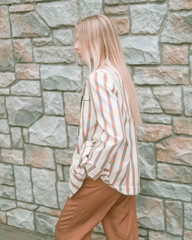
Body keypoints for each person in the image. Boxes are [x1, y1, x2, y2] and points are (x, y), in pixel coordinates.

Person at [55, 14, 143, 240]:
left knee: (67, 232)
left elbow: (114, 134)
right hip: (123, 173)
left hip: (104, 175)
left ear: (95, 41)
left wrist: (88, 167)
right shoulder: (117, 74)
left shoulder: (99, 78)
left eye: (79, 39)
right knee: (123, 235)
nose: (75, 46)